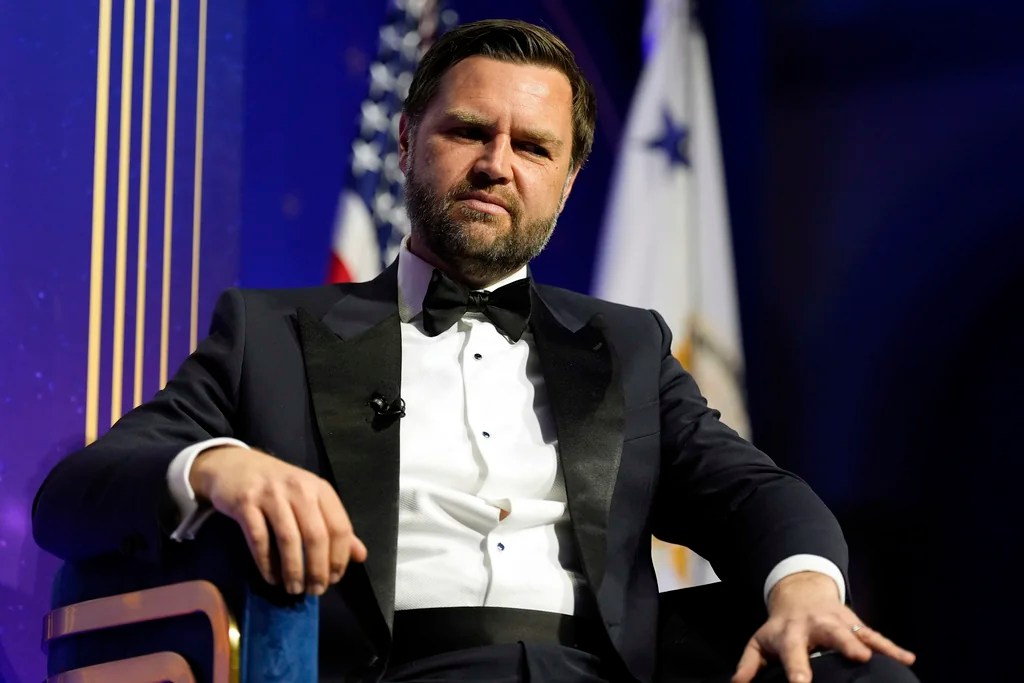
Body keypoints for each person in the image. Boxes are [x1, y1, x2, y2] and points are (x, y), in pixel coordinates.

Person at [33, 19, 919, 683]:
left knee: (856, 667)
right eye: (469, 132)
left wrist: (803, 586)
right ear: (408, 139)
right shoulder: (273, 333)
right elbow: (72, 500)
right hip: (397, 666)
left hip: (600, 669)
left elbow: (752, 492)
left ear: (566, 183)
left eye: (533, 147)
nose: (499, 162)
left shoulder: (627, 346)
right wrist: (219, 464)